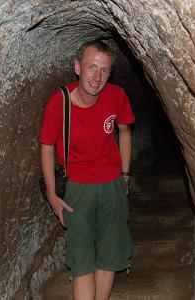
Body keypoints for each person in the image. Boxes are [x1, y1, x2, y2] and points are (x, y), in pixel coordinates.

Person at [39, 40, 135, 299]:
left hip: (112, 184)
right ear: (78, 67)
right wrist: (52, 194)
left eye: (104, 70)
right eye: (92, 67)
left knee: (109, 253)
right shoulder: (60, 102)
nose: (97, 76)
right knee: (81, 260)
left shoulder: (116, 96)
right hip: (78, 189)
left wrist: (125, 175)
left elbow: (125, 131)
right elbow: (47, 146)